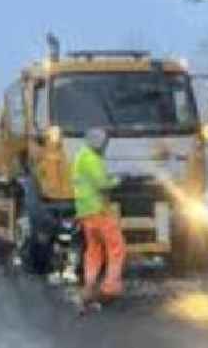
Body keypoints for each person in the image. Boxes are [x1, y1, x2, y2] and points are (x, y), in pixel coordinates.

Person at [72, 128, 126, 306]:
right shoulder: (92, 159)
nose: (105, 147)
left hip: (85, 213)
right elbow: (102, 184)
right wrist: (118, 181)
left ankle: (89, 286)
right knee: (116, 247)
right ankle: (110, 288)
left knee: (94, 250)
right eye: (105, 143)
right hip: (99, 211)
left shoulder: (80, 156)